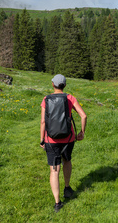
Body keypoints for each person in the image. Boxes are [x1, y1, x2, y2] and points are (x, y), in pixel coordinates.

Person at [40, 74, 87, 212]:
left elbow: (43, 121)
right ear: (64, 85)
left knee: (54, 170)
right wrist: (82, 132)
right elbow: (83, 115)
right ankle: (67, 188)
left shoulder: (46, 99)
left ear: (52, 84)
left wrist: (42, 138)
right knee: (67, 160)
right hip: (68, 138)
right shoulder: (69, 98)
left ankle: (57, 203)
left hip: (51, 139)